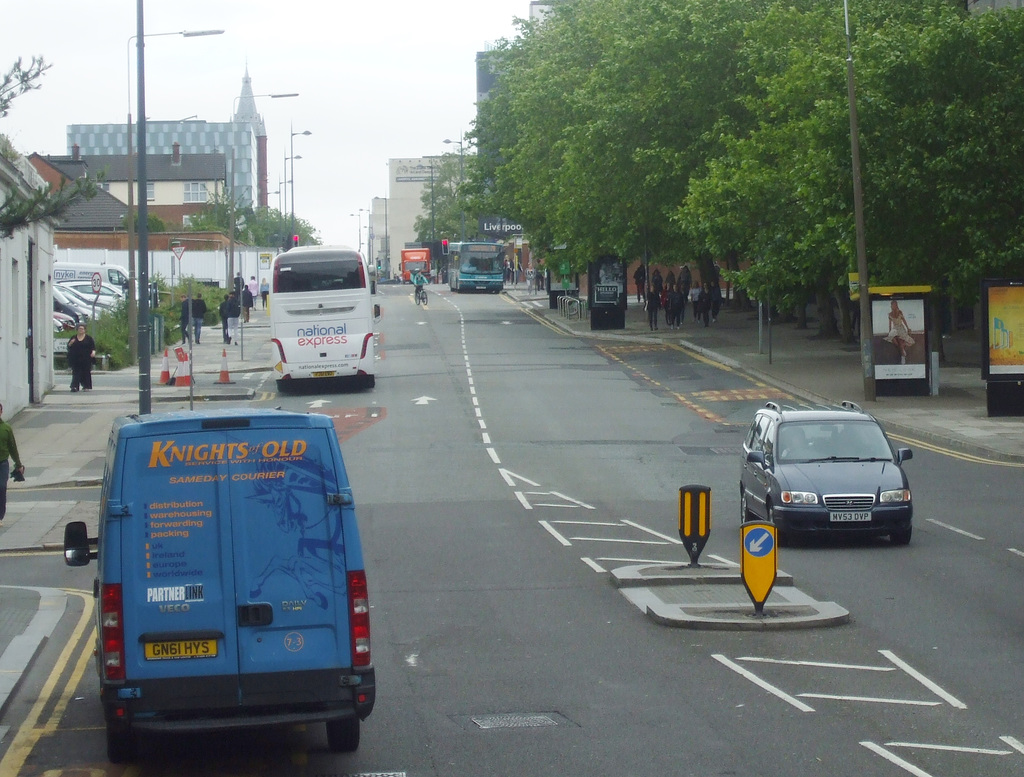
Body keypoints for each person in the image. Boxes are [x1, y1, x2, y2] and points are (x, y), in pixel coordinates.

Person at [0, 401, 26, 524]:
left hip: (2, 464)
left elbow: (12, 448)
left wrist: (18, 464)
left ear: (1, 412)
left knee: (2, 487)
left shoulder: (6, 428)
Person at [66, 323, 96, 392]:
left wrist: (93, 352)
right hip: (76, 358)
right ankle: (74, 386)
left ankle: (86, 386)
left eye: (82, 329)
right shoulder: (74, 338)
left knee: (86, 372)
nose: (80, 330)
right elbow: (69, 347)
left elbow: (93, 347)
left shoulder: (88, 338)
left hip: (86, 358)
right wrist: (71, 343)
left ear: (85, 330)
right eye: (79, 329)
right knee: (76, 372)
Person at [884, 299, 915, 364]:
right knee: (892, 338)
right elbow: (890, 323)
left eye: (895, 305)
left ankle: (902, 354)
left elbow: (904, 320)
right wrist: (889, 331)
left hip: (901, 328)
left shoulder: (900, 312)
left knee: (901, 340)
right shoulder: (890, 314)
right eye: (892, 305)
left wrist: (908, 328)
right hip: (895, 328)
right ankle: (902, 352)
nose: (893, 306)